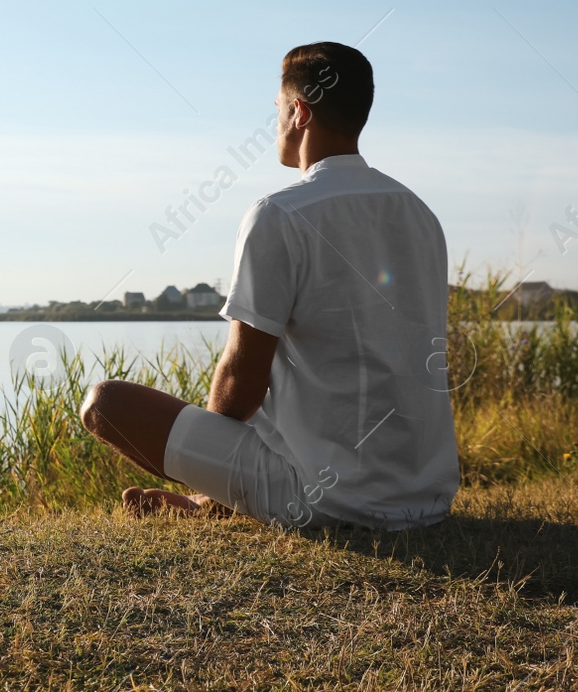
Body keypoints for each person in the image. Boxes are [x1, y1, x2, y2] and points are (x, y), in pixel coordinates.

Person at [79, 42, 459, 530]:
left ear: (299, 111)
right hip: (426, 496)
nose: (276, 122)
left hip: (327, 499)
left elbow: (242, 381)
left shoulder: (279, 213)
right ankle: (218, 500)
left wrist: (208, 477)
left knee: (105, 403)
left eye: (277, 110)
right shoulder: (420, 214)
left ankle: (208, 503)